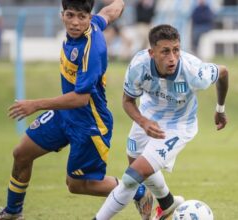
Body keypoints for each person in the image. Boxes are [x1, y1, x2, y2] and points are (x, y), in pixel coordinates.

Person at [0, 0, 153, 219]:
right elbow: (112, 10)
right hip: (64, 115)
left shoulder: (93, 48)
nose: (75, 22)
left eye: (81, 17)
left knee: (76, 184)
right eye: (70, 15)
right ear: (62, 15)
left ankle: (137, 190)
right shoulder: (95, 22)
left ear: (88, 19)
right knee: (22, 154)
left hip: (89, 123)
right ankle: (13, 212)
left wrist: (34, 104)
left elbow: (81, 99)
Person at [93, 24, 229, 220]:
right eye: (165, 51)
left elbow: (223, 72)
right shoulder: (139, 66)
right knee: (136, 164)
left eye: (176, 50)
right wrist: (142, 121)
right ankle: (167, 203)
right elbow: (127, 101)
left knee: (132, 177)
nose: (172, 57)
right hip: (148, 118)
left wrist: (220, 109)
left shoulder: (194, 71)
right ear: (151, 53)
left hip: (178, 126)